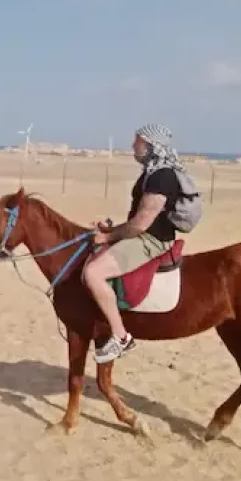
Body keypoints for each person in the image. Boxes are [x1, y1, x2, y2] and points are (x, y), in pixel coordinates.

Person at [82, 123, 183, 363]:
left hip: (151, 241)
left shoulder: (162, 177)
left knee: (93, 273)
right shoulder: (153, 172)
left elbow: (141, 224)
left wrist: (107, 237)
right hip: (144, 234)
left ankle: (121, 337)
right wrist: (113, 228)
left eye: (137, 141)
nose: (132, 146)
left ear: (150, 145)